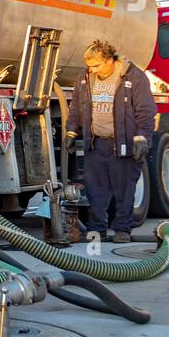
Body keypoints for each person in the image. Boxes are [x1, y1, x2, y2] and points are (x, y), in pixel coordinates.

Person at [64, 39, 155, 243]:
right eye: (90, 66)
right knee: (95, 189)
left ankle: (123, 229)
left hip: (123, 143)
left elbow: (145, 110)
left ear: (109, 59)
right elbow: (77, 109)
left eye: (96, 65)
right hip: (96, 143)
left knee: (124, 189)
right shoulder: (85, 78)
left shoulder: (133, 76)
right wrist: (71, 132)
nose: (93, 70)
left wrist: (142, 138)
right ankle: (97, 228)